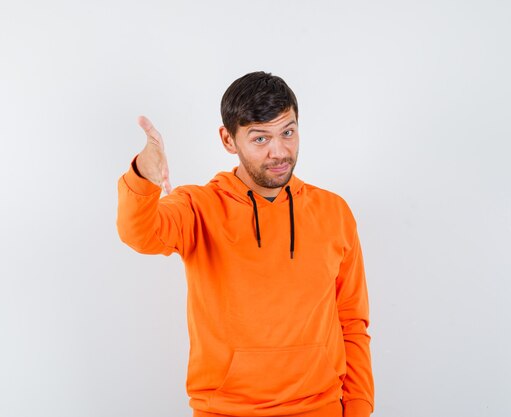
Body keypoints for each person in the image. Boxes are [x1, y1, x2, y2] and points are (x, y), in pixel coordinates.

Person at [116, 71, 374, 417]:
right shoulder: (197, 207)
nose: (279, 151)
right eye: (260, 139)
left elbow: (352, 320)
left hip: (321, 407)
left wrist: (358, 407)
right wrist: (143, 175)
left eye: (288, 132)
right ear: (228, 139)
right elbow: (141, 233)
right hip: (225, 410)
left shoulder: (334, 212)